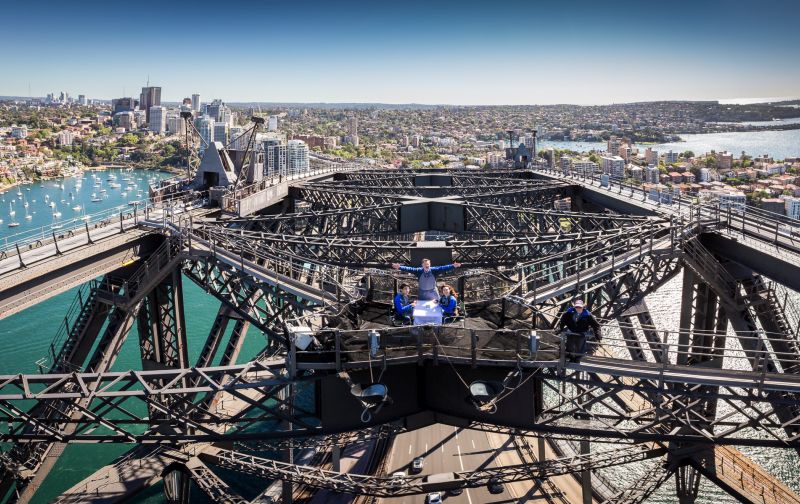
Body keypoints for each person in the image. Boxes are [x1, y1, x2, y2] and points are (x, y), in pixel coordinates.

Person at [391, 258, 462, 301]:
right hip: (422, 292)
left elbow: (443, 268)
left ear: (430, 264)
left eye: (428, 264)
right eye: (425, 264)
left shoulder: (434, 270)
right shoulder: (419, 271)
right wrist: (400, 267)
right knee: (422, 305)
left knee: (438, 303)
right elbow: (409, 269)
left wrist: (453, 266)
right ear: (422, 265)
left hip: (433, 291)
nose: (427, 265)